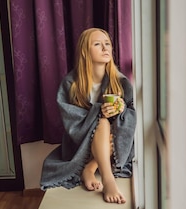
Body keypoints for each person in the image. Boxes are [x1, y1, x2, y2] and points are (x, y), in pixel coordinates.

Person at [40, 28, 136, 204]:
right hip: (81, 140)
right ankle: (109, 180)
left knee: (107, 124)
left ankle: (90, 168)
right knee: (101, 123)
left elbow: (131, 114)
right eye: (97, 44)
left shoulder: (121, 82)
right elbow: (70, 119)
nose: (105, 48)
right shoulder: (71, 83)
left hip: (112, 139)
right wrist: (99, 112)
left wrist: (121, 109)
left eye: (107, 44)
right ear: (85, 52)